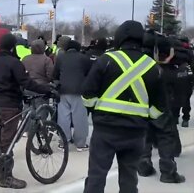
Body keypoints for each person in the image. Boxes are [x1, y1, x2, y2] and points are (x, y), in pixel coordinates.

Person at [82, 20, 165, 193]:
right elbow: (160, 107)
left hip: (105, 131)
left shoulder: (106, 60)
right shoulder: (152, 67)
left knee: (96, 177)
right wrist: (145, 117)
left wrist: (97, 111)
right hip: (135, 132)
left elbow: (87, 95)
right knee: (129, 179)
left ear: (119, 37)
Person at [0, 33, 53, 189]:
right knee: (7, 142)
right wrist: (46, 90)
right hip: (9, 105)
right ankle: (6, 178)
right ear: (12, 46)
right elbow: (26, 82)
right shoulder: (14, 62)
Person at [137, 32, 185, 184]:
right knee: (165, 135)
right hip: (159, 106)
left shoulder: (134, 64)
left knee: (145, 134)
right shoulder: (156, 67)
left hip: (140, 106)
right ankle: (168, 172)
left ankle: (144, 164)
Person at [54, 40, 91, 151]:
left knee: (63, 117)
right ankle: (80, 144)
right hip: (79, 91)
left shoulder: (60, 58)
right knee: (79, 117)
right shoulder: (84, 58)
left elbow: (55, 74)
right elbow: (89, 73)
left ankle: (64, 141)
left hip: (63, 90)